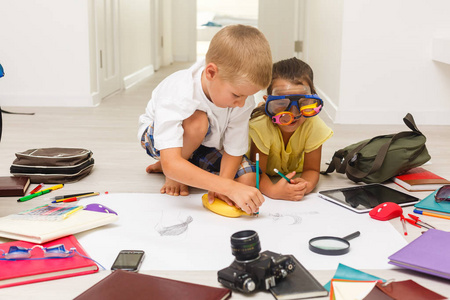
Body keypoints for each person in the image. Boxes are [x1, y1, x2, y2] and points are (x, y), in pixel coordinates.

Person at [138, 24, 272, 214]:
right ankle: (174, 166)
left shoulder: (242, 98)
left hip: (207, 144)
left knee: (247, 178)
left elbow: (234, 148)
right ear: (211, 73)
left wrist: (224, 184)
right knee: (197, 123)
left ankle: (183, 165)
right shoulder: (179, 90)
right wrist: (227, 187)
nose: (242, 104)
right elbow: (174, 158)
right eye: (236, 95)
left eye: (247, 97)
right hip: (158, 138)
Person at [248, 57, 333, 201]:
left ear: (312, 99)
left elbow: (312, 170)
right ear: (268, 102)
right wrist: (273, 191)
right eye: (281, 103)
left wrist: (305, 184)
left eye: (303, 102)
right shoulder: (261, 126)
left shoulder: (313, 125)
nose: (293, 114)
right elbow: (257, 174)